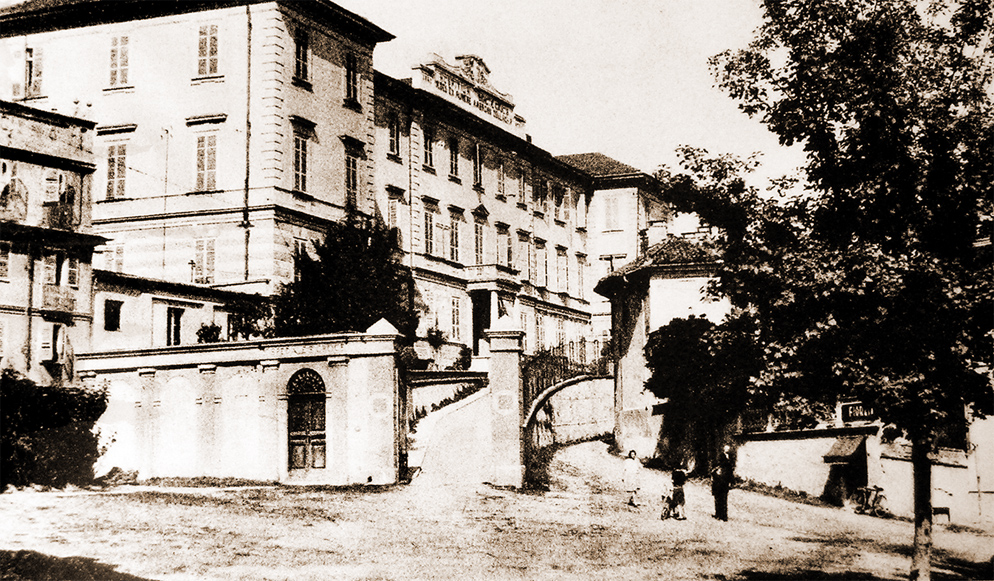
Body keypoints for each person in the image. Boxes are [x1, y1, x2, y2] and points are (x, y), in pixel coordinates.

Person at [711, 445, 734, 521]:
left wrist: (731, 481)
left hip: (724, 482)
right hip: (719, 482)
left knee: (723, 498)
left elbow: (730, 472)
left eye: (728, 449)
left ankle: (723, 515)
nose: (728, 450)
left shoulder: (730, 460)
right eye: (726, 448)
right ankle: (718, 514)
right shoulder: (720, 458)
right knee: (718, 498)